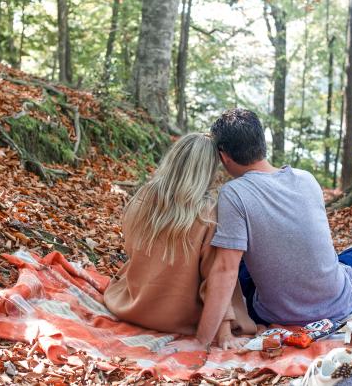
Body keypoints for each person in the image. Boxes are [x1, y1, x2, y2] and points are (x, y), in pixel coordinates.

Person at [178, 108, 352, 353]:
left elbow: (224, 270)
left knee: (231, 259)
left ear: (224, 156)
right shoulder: (307, 179)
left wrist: (201, 341)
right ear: (262, 143)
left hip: (275, 313)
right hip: (339, 302)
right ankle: (350, 275)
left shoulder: (234, 193)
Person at [103, 133, 256, 351]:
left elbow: (131, 248)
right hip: (179, 318)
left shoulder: (144, 195)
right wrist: (224, 334)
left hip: (134, 306)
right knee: (229, 263)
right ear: (208, 171)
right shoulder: (208, 214)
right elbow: (214, 279)